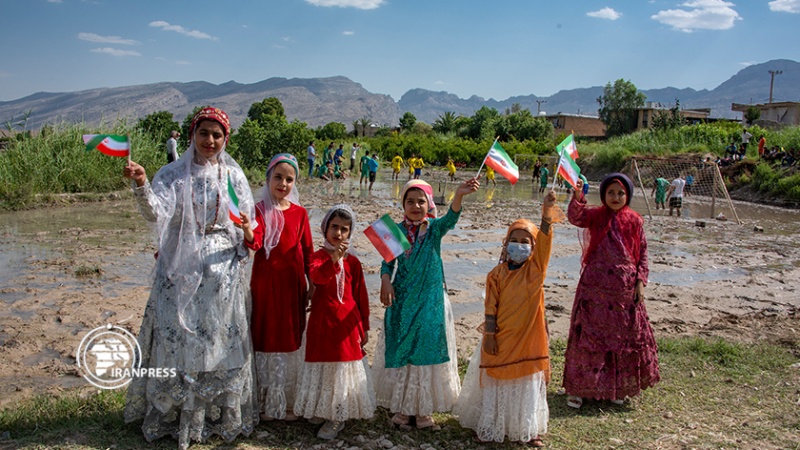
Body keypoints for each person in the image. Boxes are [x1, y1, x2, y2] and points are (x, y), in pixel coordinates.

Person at [122, 107, 258, 449]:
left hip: (221, 268)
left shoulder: (233, 176)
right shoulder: (172, 175)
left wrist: (244, 229)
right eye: (204, 133)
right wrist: (141, 183)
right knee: (178, 336)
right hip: (180, 267)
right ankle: (178, 411)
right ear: (192, 135)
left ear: (225, 139)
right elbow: (156, 214)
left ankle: (213, 413)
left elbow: (248, 222)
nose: (210, 141)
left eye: (217, 135)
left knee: (217, 339)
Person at [374, 177, 480, 431]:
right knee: (404, 351)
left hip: (430, 300)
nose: (415, 205)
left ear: (429, 203)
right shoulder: (395, 230)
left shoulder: (433, 229)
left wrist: (459, 195)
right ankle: (402, 410)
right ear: (403, 205)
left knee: (426, 352)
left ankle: (423, 412)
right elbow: (387, 263)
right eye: (409, 201)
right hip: (403, 300)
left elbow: (450, 220)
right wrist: (386, 281)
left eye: (421, 201)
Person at [455, 189, 557, 447]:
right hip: (500, 338)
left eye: (526, 241)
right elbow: (490, 307)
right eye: (515, 239)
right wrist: (489, 335)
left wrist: (546, 214)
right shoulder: (496, 275)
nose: (520, 245)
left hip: (528, 338)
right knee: (497, 382)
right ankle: (490, 427)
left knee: (526, 384)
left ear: (533, 248)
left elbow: (545, 242)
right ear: (505, 243)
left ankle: (526, 428)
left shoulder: (535, 272)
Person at [563, 174, 660, 409]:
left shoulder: (635, 221)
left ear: (628, 196)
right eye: (611, 193)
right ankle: (578, 390)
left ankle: (616, 388)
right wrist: (578, 197)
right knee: (588, 337)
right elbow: (576, 217)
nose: (615, 197)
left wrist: (640, 282)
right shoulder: (596, 216)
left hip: (624, 291)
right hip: (594, 290)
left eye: (620, 193)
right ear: (604, 195)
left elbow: (643, 255)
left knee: (621, 339)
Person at [294, 204, 375, 440]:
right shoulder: (317, 258)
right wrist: (333, 260)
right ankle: (322, 409)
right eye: (334, 227)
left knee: (341, 368)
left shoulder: (354, 263)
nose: (338, 233)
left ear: (350, 233)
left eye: (344, 229)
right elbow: (318, 278)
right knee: (323, 366)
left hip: (346, 327)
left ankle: (337, 417)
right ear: (325, 228)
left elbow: (360, 297)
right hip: (321, 323)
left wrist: (365, 326)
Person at [243, 153, 314, 422]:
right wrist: (248, 229)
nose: (283, 183)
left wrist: (313, 282)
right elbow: (256, 242)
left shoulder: (300, 213)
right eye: (278, 177)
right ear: (268, 178)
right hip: (264, 284)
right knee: (264, 334)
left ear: (295, 183)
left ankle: (287, 403)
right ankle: (263, 403)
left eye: (289, 179)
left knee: (288, 335)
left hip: (292, 285)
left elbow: (307, 251)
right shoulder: (258, 210)